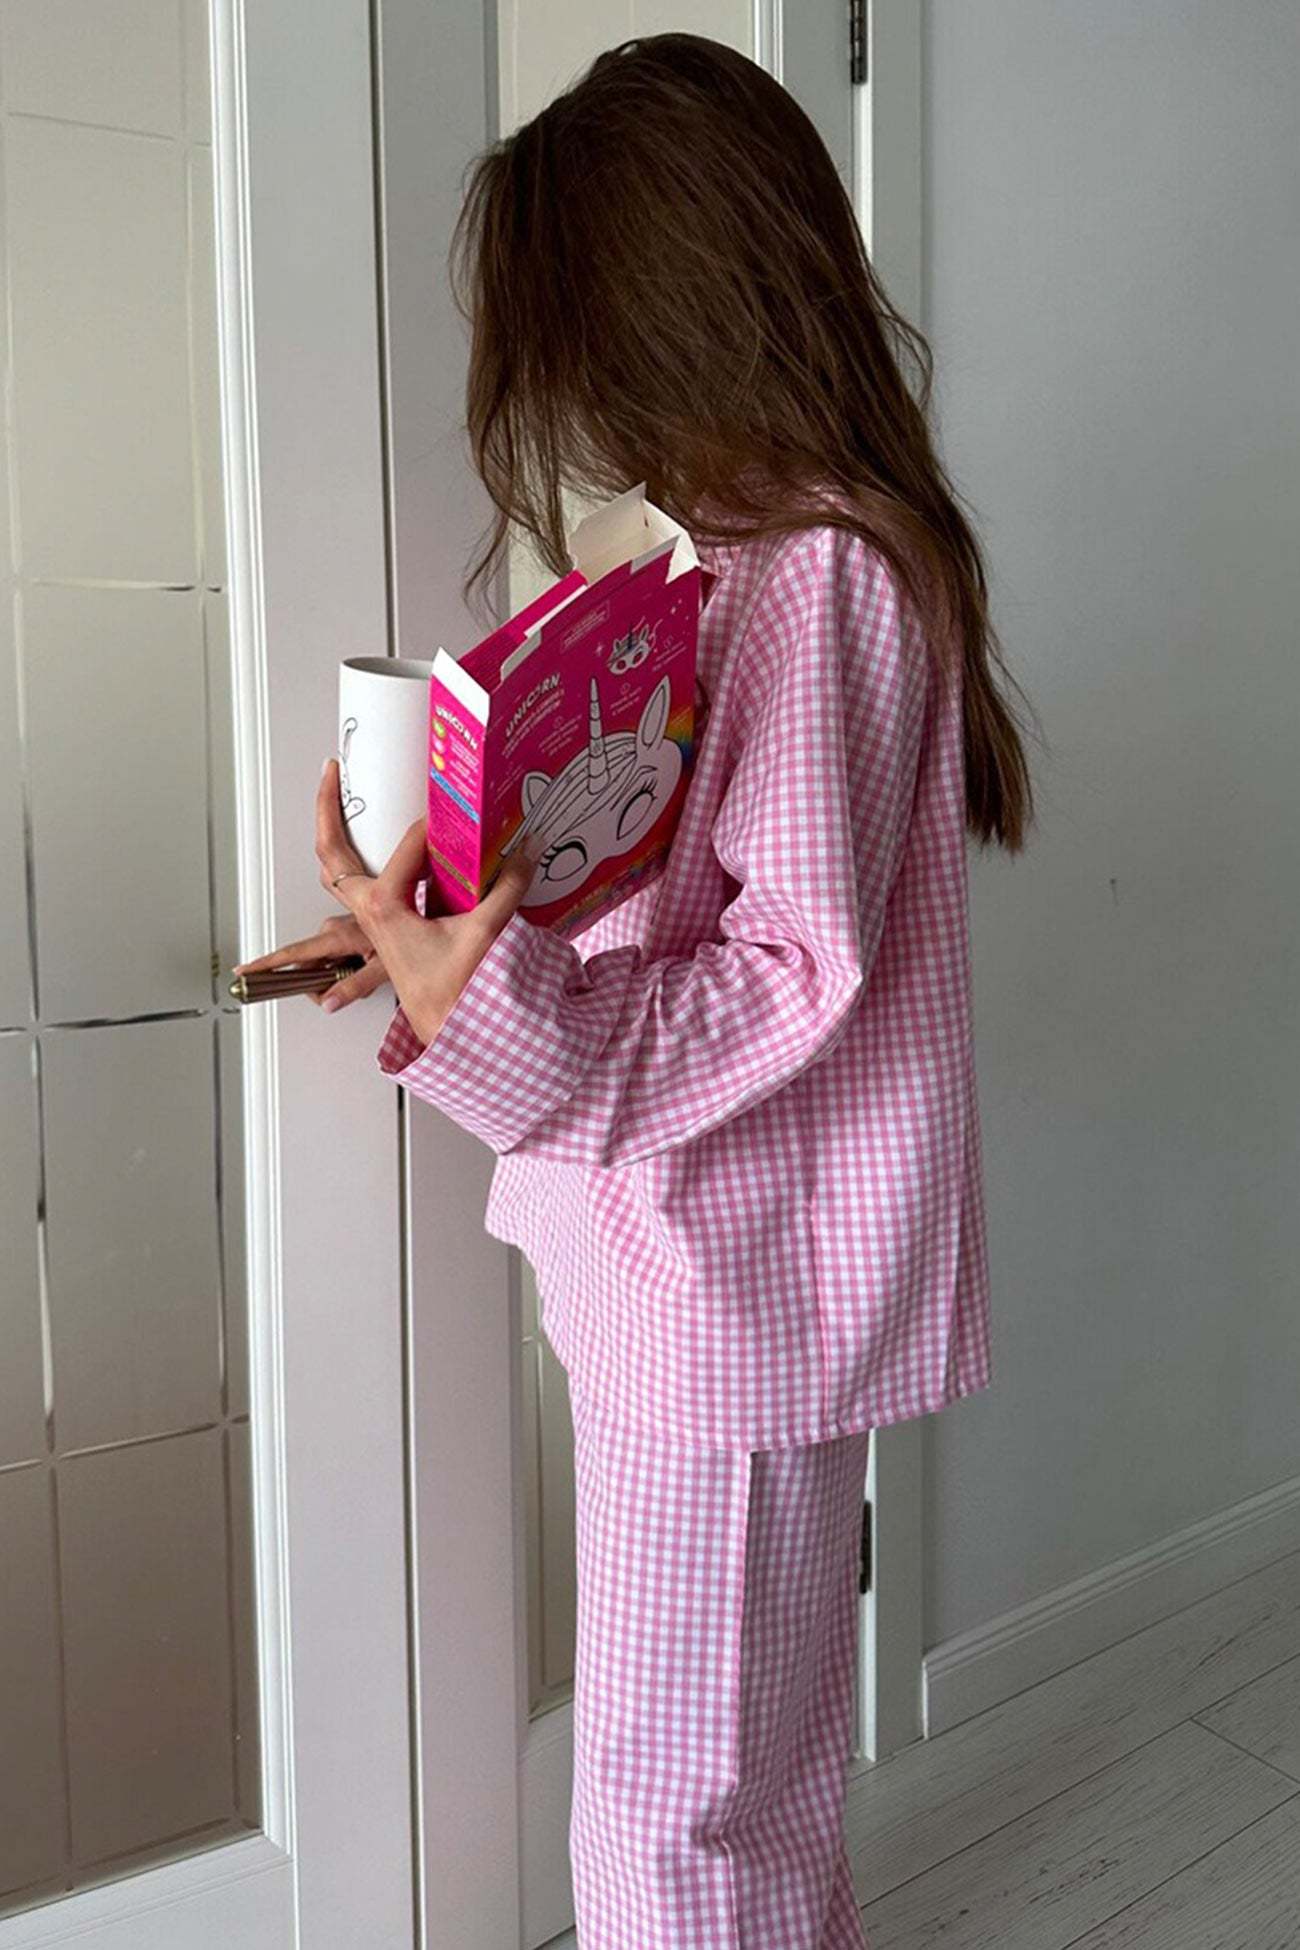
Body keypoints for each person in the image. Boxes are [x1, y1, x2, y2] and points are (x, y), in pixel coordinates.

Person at [235, 33, 1035, 1949]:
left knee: (680, 1812)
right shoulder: (748, 563)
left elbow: (790, 969)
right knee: (725, 1784)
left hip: (736, 1284)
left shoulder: (819, 573)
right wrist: (449, 926)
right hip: (703, 1275)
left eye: (582, 341)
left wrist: (497, 1005)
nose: (576, 396)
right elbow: (683, 886)